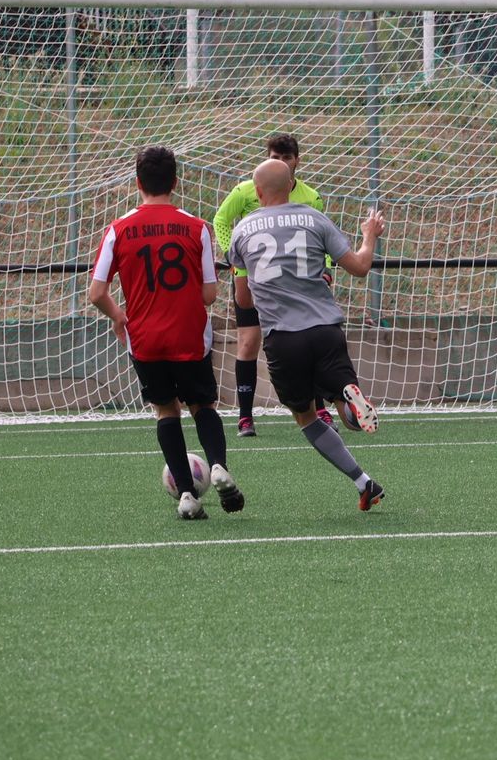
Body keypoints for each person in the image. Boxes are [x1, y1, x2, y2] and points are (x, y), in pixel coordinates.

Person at [89, 146, 244, 521]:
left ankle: (187, 495)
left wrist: (119, 316)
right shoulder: (196, 227)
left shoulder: (118, 229)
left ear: (137, 183)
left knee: (165, 410)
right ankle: (218, 465)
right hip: (189, 335)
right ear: (175, 182)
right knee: (202, 406)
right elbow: (209, 294)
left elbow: (96, 293)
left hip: (145, 339)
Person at [227, 158, 386, 510]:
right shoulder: (315, 219)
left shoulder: (242, 231)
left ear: (257, 192)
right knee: (344, 410)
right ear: (292, 185)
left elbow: (243, 299)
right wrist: (369, 235)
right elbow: (360, 267)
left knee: (306, 417)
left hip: (283, 337)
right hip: (325, 329)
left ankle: (361, 479)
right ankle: (349, 409)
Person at [212, 133, 333, 437]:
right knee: (248, 341)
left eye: (286, 157)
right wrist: (234, 260)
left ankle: (319, 407)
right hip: (256, 279)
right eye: (275, 157)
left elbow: (324, 235)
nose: (281, 162)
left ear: (297, 161)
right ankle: (245, 416)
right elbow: (221, 220)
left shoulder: (311, 197)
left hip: (296, 281)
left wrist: (327, 268)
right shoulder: (245, 190)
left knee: (307, 339)